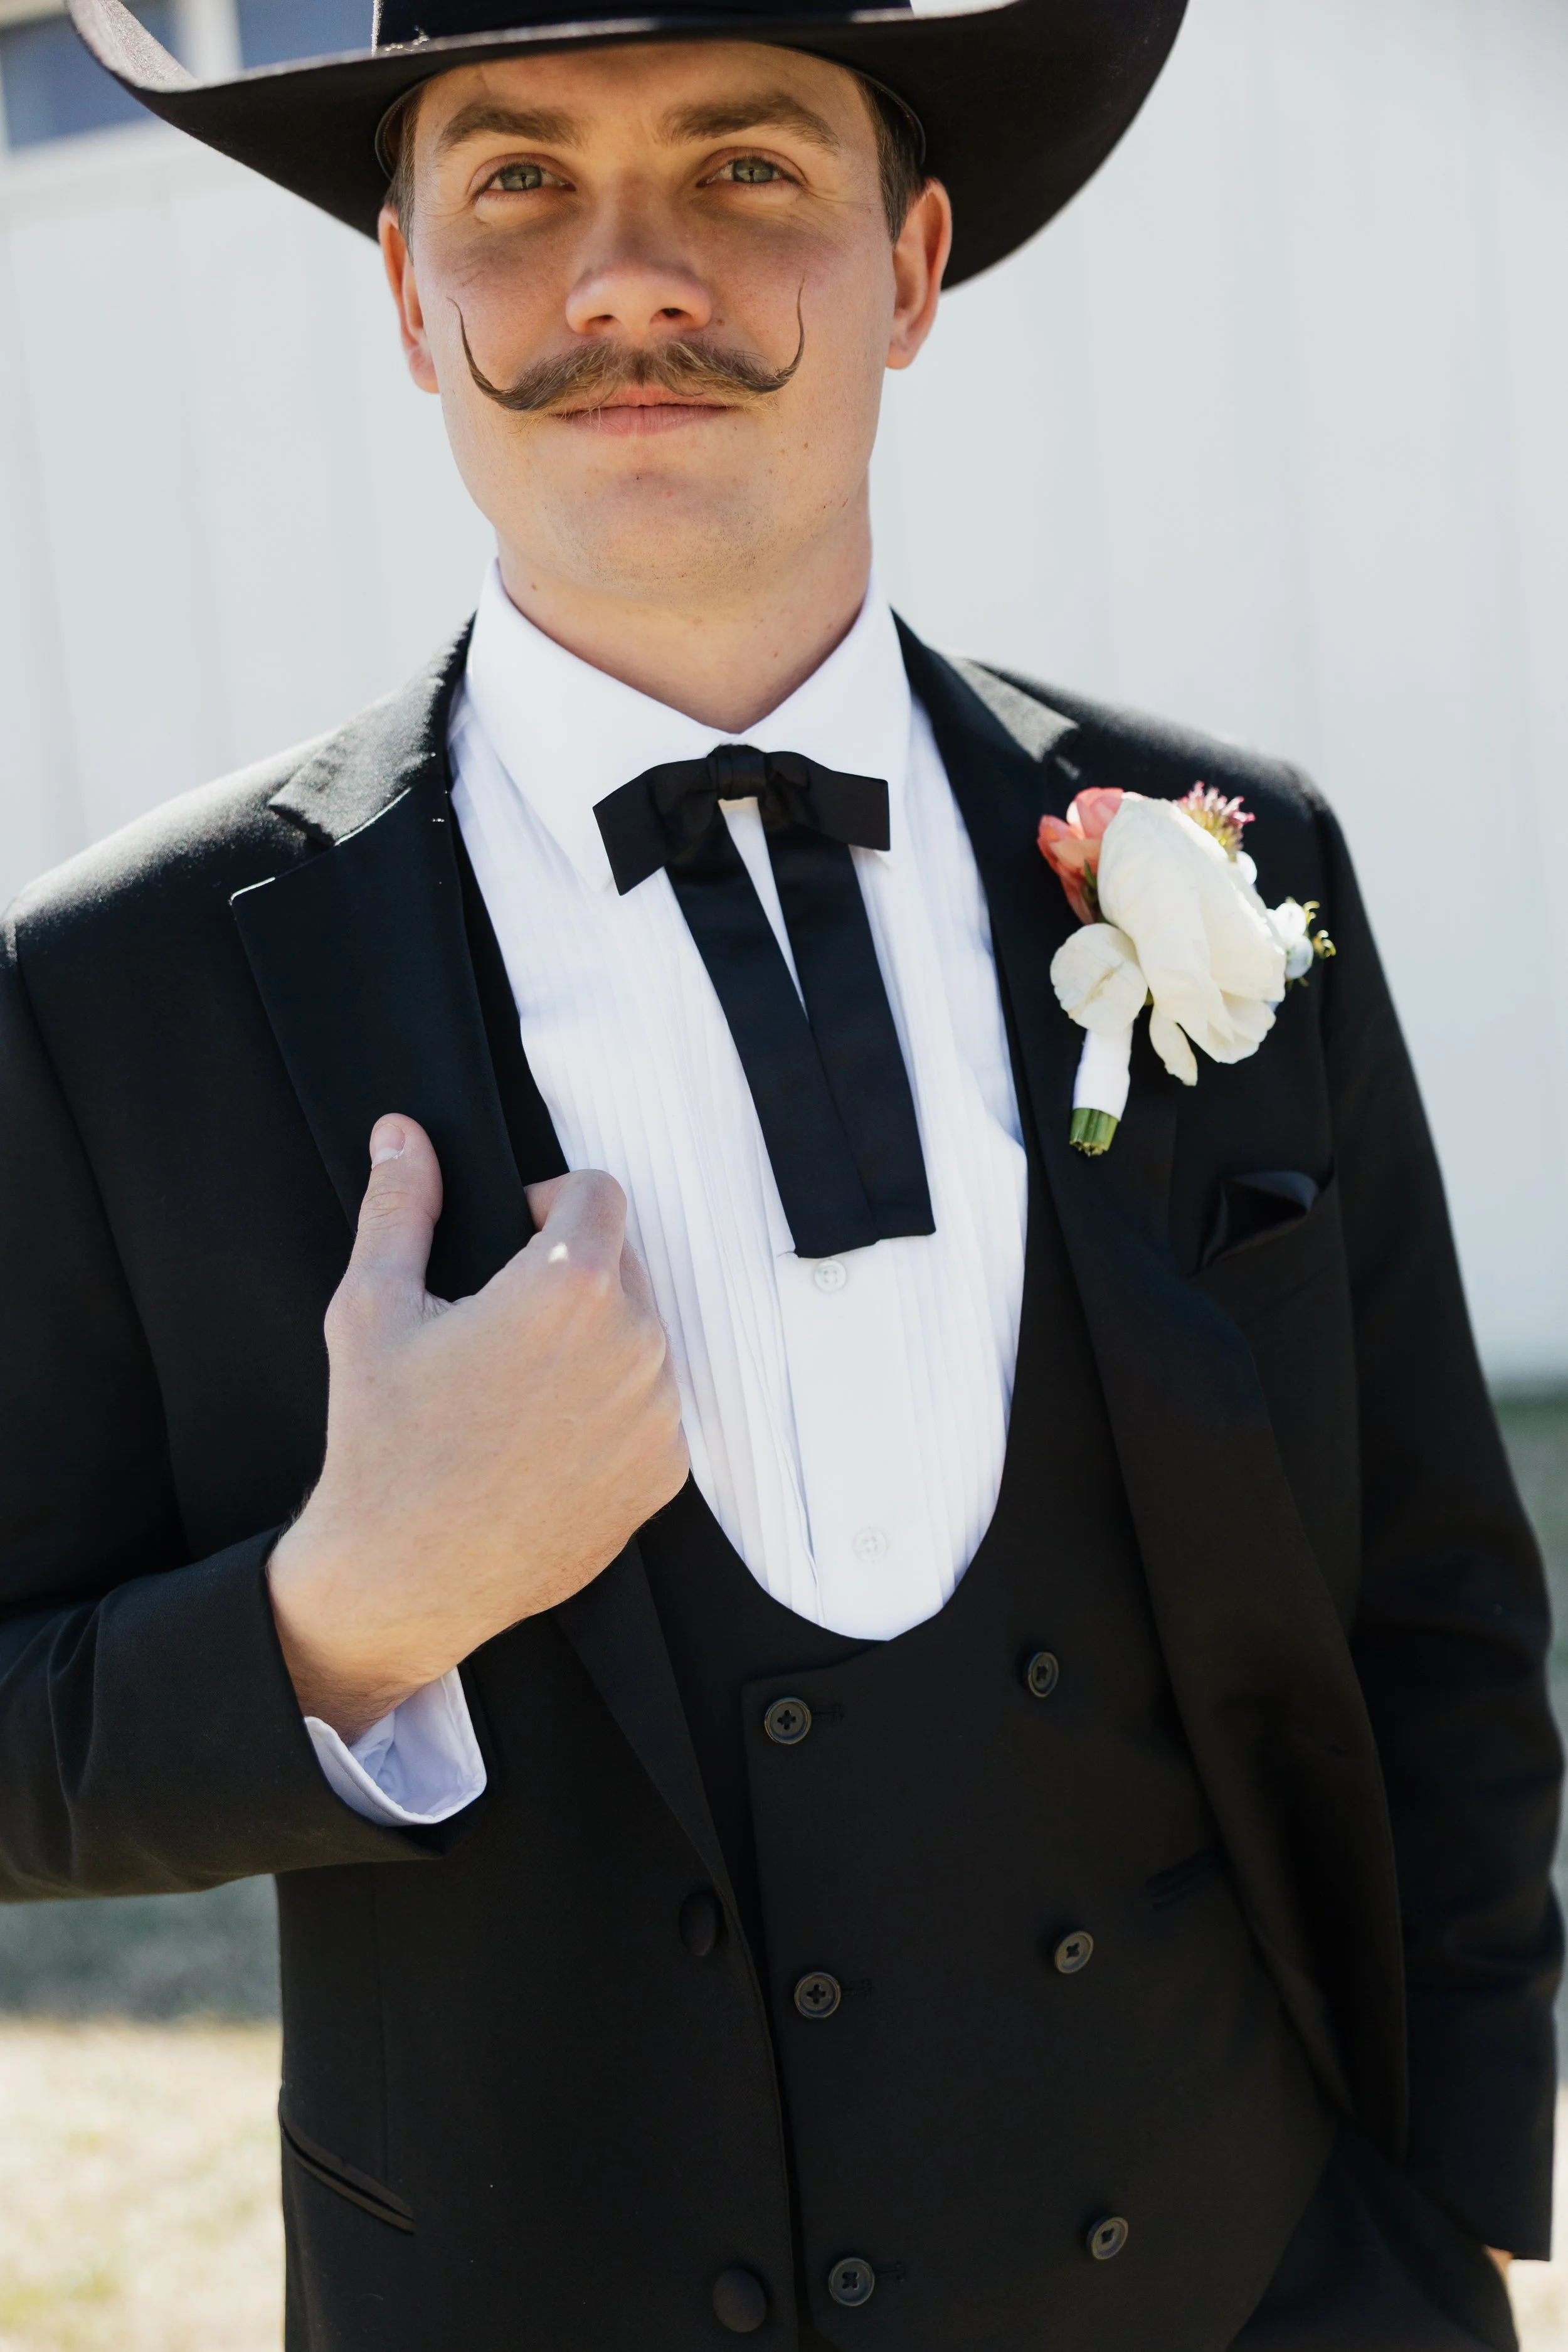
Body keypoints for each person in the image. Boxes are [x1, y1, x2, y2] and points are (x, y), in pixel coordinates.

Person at [3, 0, 1557, 2341]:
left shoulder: (1230, 859)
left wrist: (1461, 2221)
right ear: (408, 294)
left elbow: (1433, 1608)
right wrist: (342, 1616)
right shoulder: (119, 992)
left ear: (911, 265)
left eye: (743, 169)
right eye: (519, 183)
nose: (631, 273)